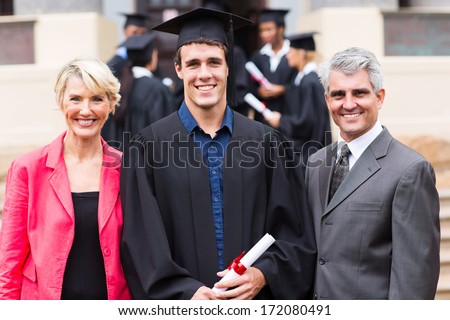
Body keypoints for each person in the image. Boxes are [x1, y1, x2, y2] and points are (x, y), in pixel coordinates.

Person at [120, 7, 317, 300]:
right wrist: (185, 292)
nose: (204, 74)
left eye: (214, 62)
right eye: (193, 64)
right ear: (178, 69)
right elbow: (141, 240)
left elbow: (294, 234)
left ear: (228, 67)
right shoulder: (147, 147)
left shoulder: (267, 143)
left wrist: (264, 274)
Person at [305, 47, 440, 299]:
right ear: (327, 100)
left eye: (359, 93)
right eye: (338, 94)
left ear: (379, 97)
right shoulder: (316, 163)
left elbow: (414, 281)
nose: (348, 104)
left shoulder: (410, 170)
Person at [0, 59, 131, 299]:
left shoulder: (128, 169)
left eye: (97, 99)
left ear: (112, 103)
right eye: (76, 99)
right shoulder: (27, 169)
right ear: (61, 101)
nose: (86, 110)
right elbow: (10, 260)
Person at [264, 32, 331, 168]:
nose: (287, 55)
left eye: (290, 51)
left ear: (301, 53)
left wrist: (280, 120)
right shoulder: (301, 79)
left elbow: (306, 123)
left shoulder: (310, 82)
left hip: (309, 153)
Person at [102, 32, 176, 151]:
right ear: (151, 56)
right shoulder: (157, 89)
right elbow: (168, 132)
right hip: (148, 163)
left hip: (118, 161)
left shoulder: (117, 88)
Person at [248, 8, 297, 123]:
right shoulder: (258, 56)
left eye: (269, 29)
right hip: (264, 117)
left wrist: (283, 89)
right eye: (261, 30)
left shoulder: (293, 53)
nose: (264, 34)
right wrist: (259, 91)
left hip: (287, 115)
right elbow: (249, 86)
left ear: (281, 29)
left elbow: (301, 84)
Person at [107, 13, 150, 79]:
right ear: (125, 31)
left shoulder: (148, 55)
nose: (139, 36)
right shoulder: (116, 60)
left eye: (143, 33)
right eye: (134, 32)